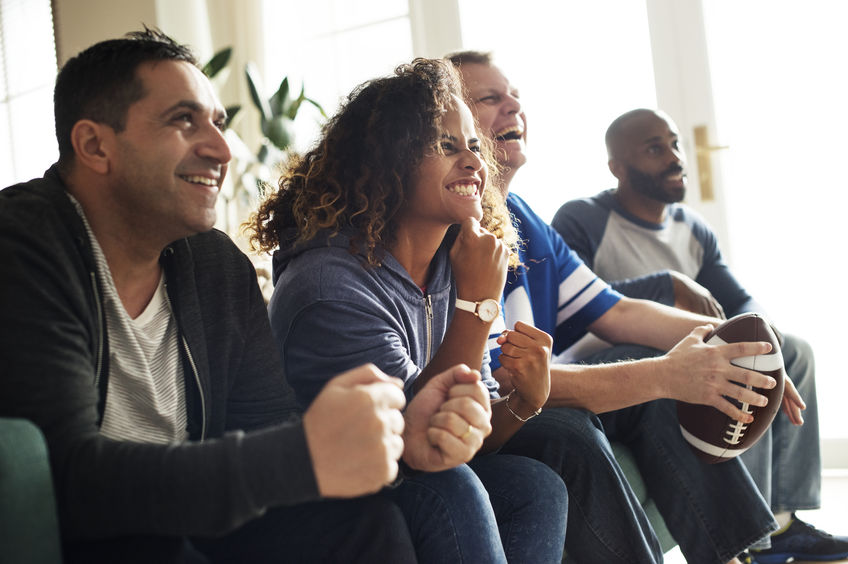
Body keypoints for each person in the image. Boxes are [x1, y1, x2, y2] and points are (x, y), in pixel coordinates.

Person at [0, 29, 492, 564]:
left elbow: (269, 431)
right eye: (183, 120)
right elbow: (59, 485)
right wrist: (300, 456)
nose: (220, 149)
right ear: (96, 145)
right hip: (91, 539)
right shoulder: (23, 245)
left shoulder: (213, 264)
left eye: (217, 123)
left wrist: (403, 438)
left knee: (364, 525)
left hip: (193, 523)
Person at [447, 50, 801, 564]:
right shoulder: (456, 228)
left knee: (648, 359)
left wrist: (737, 345)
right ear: (450, 123)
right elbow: (504, 381)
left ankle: (737, 553)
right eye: (491, 99)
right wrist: (669, 373)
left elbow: (620, 312)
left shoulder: (523, 216)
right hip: (505, 408)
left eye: (516, 98)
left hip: (535, 389)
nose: (513, 109)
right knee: (637, 386)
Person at [248, 58, 568, 563]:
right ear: (389, 163)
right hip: (333, 492)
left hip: (415, 461)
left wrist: (524, 402)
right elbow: (420, 440)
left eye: (472, 146)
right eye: (446, 146)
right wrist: (477, 306)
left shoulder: (450, 263)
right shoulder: (327, 285)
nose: (473, 163)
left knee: (536, 484)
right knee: (453, 490)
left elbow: (467, 436)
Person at [551, 107, 848, 564]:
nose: (674, 157)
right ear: (618, 167)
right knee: (733, 369)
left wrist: (761, 335)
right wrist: (665, 282)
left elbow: (740, 300)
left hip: (690, 341)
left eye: (674, 144)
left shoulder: (691, 226)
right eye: (655, 148)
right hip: (627, 356)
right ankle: (750, 545)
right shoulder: (582, 218)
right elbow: (582, 302)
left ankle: (783, 522)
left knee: (793, 351)